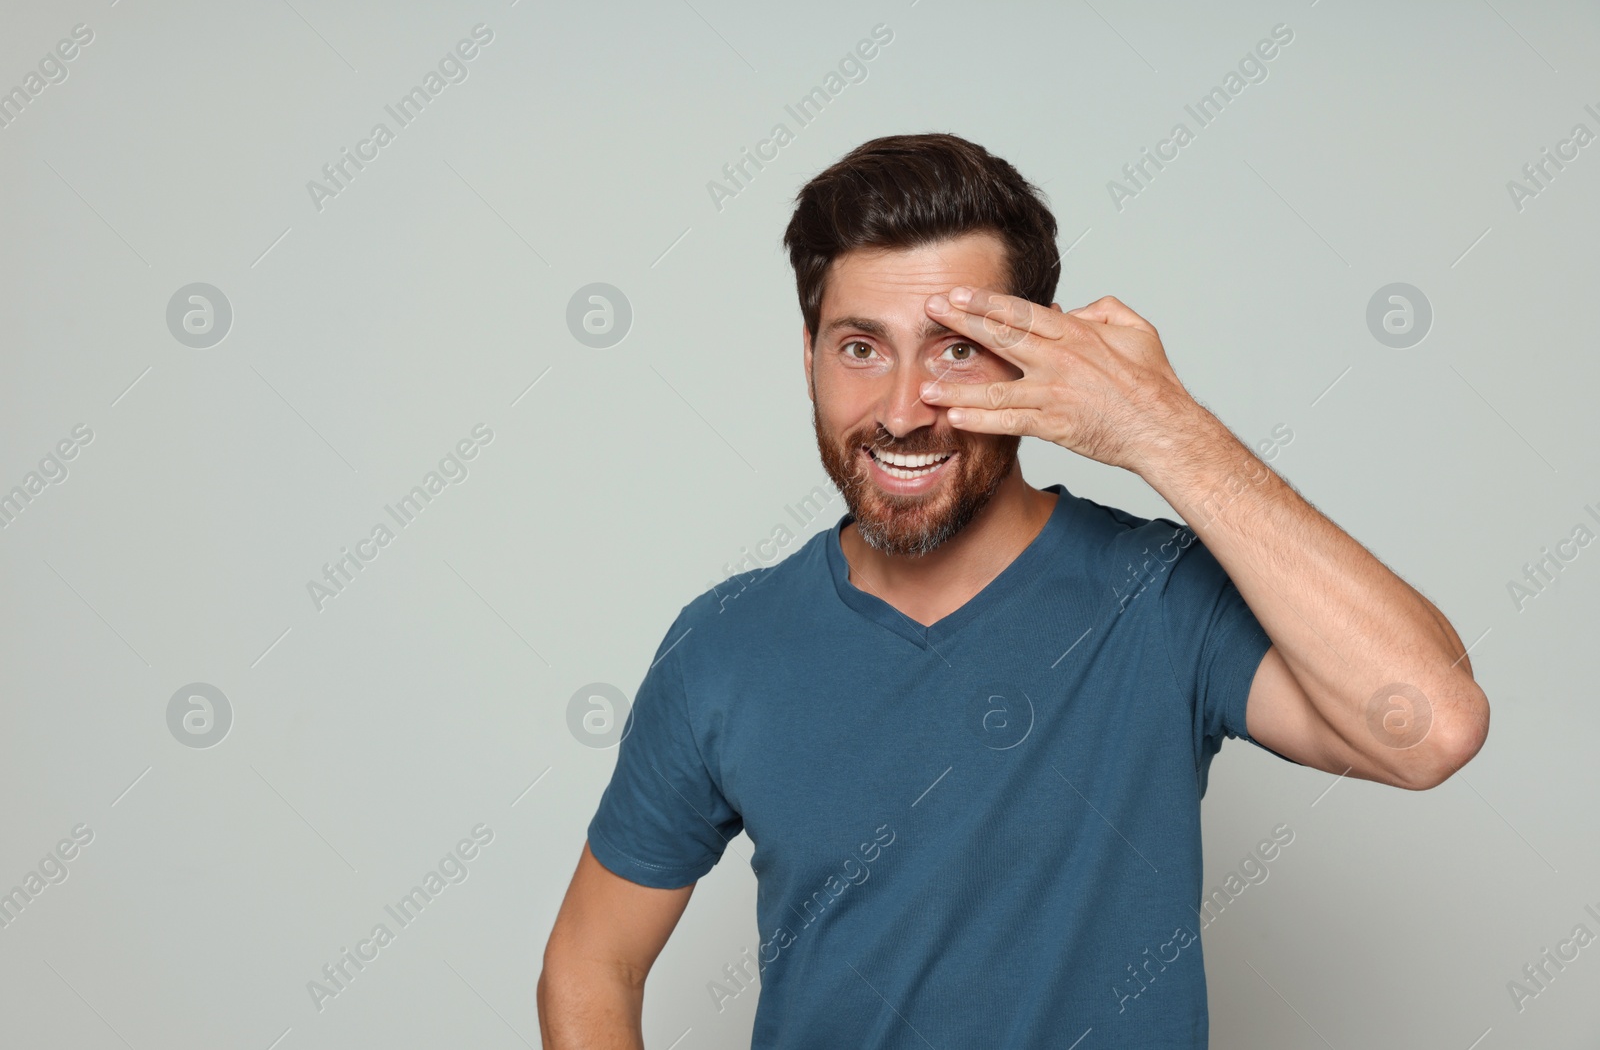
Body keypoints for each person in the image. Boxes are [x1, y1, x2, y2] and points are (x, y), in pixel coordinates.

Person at [537, 132, 1489, 1048]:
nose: (904, 411)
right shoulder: (723, 646)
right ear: (810, 354)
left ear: (1037, 357)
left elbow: (1433, 727)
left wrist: (1162, 428)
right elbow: (589, 965)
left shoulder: (1158, 599)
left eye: (956, 349)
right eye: (861, 347)